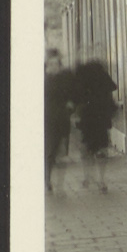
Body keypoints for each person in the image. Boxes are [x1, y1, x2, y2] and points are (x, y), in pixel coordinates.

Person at [69, 58, 118, 193]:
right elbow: (112, 93)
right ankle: (101, 180)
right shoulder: (103, 79)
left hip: (87, 119)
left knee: (87, 148)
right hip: (101, 118)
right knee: (102, 149)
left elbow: (75, 98)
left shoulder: (82, 80)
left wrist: (75, 114)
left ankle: (87, 176)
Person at [44, 49, 73, 192]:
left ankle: (60, 183)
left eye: (56, 64)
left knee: (61, 154)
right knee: (50, 152)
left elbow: (70, 97)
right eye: (51, 64)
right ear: (47, 65)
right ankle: (47, 180)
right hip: (48, 121)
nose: (53, 66)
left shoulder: (63, 79)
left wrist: (70, 105)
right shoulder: (43, 81)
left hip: (62, 120)